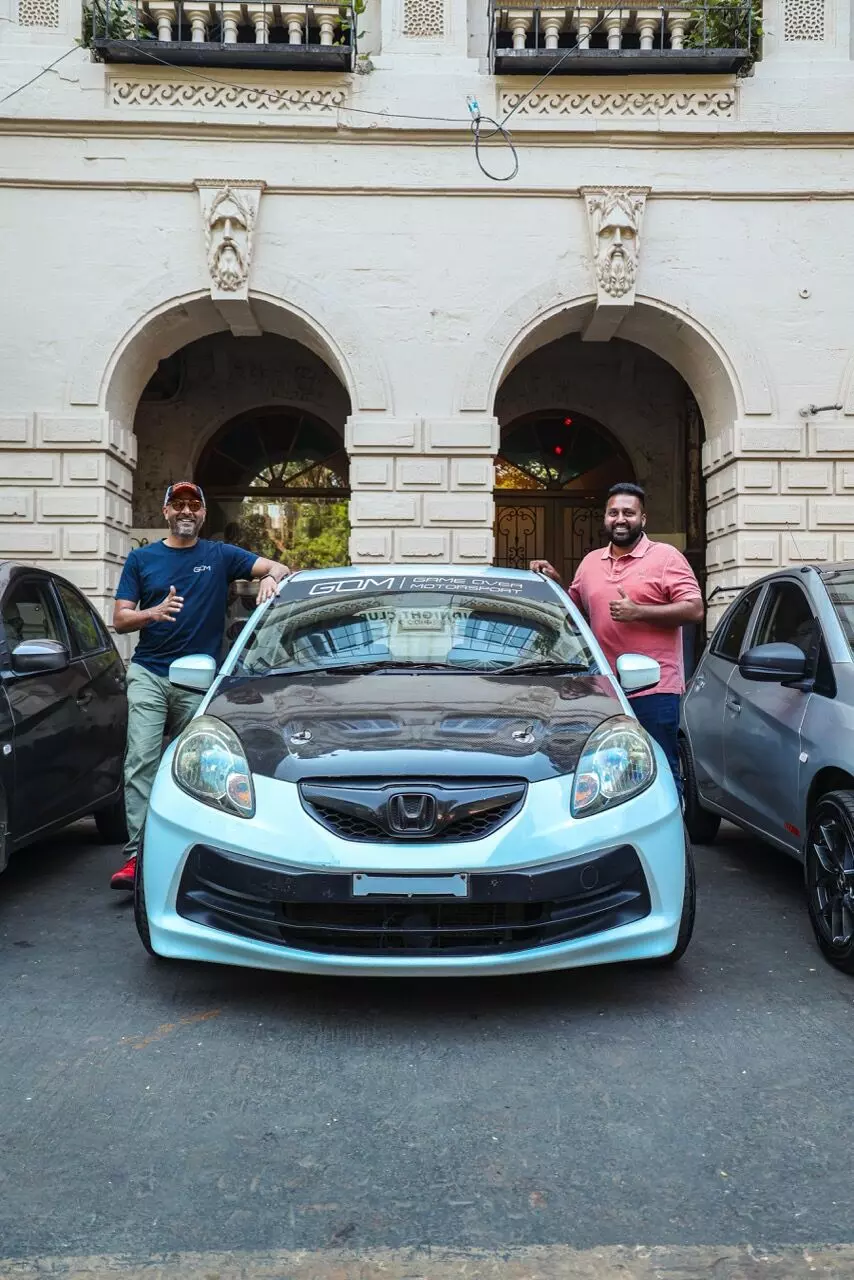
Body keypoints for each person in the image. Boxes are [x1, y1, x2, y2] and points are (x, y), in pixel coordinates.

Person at [109, 481, 289, 891]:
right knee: (141, 761)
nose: (186, 511)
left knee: (201, 767)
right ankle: (138, 856)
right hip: (150, 673)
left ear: (203, 513)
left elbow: (279, 567)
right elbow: (120, 619)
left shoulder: (219, 555)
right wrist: (153, 613)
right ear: (166, 511)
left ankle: (196, 851)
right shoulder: (141, 559)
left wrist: (269, 578)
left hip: (200, 679)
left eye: (194, 504)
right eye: (178, 504)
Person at [530, 482, 703, 793]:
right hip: (602, 687)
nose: (620, 519)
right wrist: (555, 582)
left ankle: (669, 825)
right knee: (605, 770)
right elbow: (574, 614)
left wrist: (639, 612)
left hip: (654, 688)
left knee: (659, 768)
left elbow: (694, 609)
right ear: (605, 518)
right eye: (613, 513)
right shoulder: (590, 562)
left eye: (628, 513)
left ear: (642, 518)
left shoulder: (666, 557)